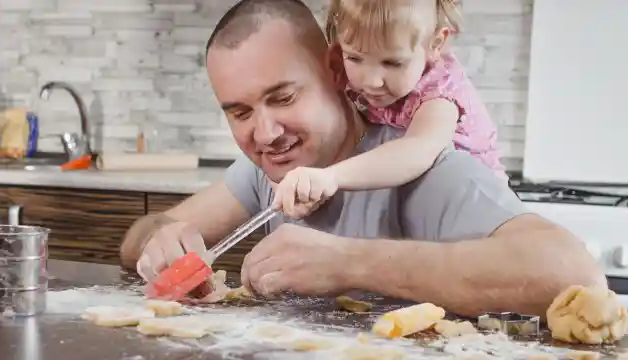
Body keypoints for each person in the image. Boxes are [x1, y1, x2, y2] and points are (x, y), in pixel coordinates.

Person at [119, 0, 605, 318]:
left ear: (335, 70)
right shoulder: (266, 171)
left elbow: (574, 274)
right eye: (240, 112)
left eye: (284, 98)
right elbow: (140, 237)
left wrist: (350, 262)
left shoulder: (426, 165)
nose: (264, 133)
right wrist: (159, 240)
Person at [271, 0, 507, 219]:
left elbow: (417, 149)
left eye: (392, 63)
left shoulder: (440, 92)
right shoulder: (345, 68)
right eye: (354, 58)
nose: (372, 80)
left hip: (477, 211)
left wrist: (331, 176)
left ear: (435, 44)